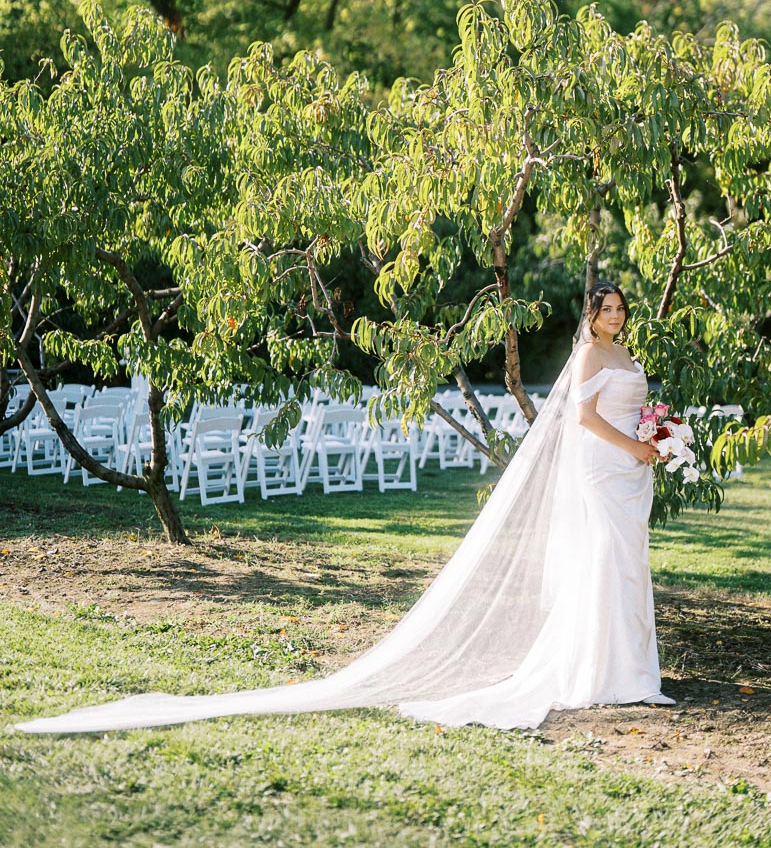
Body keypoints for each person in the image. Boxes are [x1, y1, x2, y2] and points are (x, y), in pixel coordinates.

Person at [17, 280, 673, 735]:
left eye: (620, 309)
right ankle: (596, 670)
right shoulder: (590, 351)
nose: (615, 317)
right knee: (603, 561)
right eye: (607, 309)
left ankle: (626, 669)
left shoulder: (621, 350)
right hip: (604, 466)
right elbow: (583, 419)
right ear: (590, 314)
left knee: (622, 565)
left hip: (627, 468)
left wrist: (653, 438)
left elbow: (623, 408)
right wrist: (635, 447)